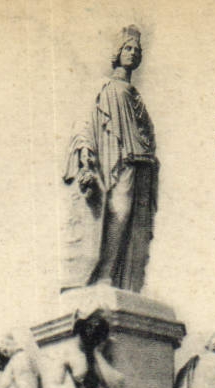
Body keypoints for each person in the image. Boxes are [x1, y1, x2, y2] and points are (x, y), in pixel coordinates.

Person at [61, 26, 157, 293]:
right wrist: (85, 154)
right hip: (112, 160)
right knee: (116, 213)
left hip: (138, 164)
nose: (133, 53)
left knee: (134, 223)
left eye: (137, 50)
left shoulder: (135, 96)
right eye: (128, 48)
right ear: (118, 52)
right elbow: (84, 122)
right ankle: (103, 275)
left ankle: (120, 279)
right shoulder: (104, 87)